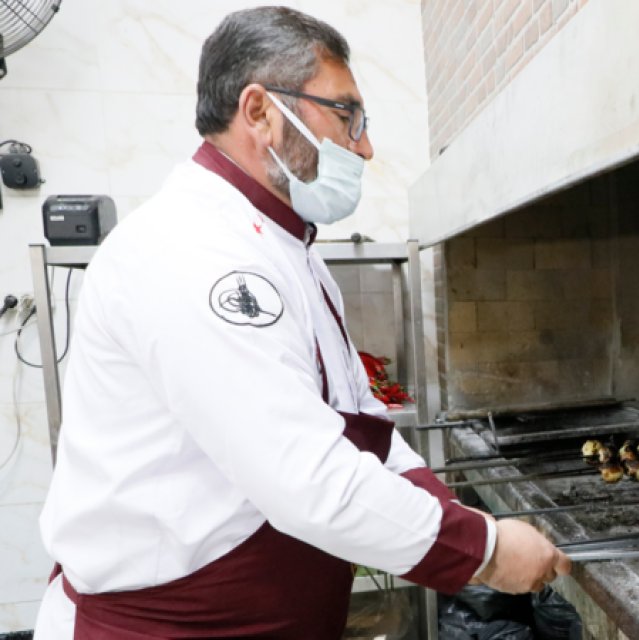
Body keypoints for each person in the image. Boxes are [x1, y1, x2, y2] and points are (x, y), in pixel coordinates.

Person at [34, 7, 569, 638]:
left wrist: (445, 509)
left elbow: (357, 423)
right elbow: (305, 476)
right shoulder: (192, 250)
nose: (365, 146)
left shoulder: (287, 249)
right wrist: (485, 551)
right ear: (259, 112)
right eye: (348, 116)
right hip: (172, 625)